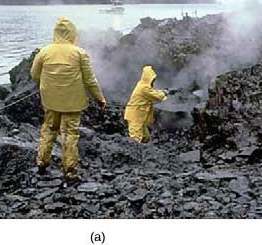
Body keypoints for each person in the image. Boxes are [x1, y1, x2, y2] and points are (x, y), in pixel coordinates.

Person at [30, 17, 106, 185]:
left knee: (49, 130)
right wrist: (100, 99)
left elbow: (34, 75)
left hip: (50, 101)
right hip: (73, 103)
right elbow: (90, 81)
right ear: (72, 33)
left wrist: (48, 85)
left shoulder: (44, 52)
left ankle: (42, 163)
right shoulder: (79, 53)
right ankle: (70, 172)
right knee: (70, 134)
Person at [124, 65, 169, 143]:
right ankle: (134, 152)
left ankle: (142, 149)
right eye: (153, 80)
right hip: (135, 116)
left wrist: (163, 91)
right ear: (148, 79)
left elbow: (152, 92)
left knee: (146, 137)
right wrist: (165, 93)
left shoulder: (143, 84)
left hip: (140, 116)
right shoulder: (144, 88)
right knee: (135, 138)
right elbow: (156, 96)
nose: (153, 82)